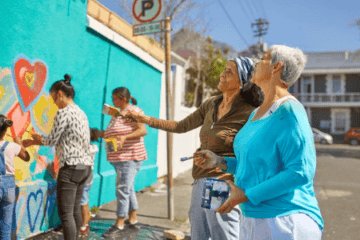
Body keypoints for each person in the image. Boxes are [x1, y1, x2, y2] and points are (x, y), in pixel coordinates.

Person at [125, 57, 264, 240]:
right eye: (224, 69)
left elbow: (255, 154)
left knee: (223, 235)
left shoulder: (250, 112)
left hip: (222, 182)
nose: (222, 74)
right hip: (200, 179)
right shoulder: (212, 103)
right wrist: (146, 120)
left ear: (242, 82)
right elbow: (180, 126)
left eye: (229, 71)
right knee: (199, 234)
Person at [194, 45, 324, 239]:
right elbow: (254, 164)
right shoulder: (256, 113)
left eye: (263, 58)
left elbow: (301, 171)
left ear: (275, 67)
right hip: (253, 217)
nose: (255, 63)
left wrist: (246, 194)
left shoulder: (290, 112)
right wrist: (220, 161)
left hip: (286, 219)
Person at [23, 74, 93, 240]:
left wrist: (36, 138)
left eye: (54, 98)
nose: (54, 103)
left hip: (71, 167)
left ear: (60, 94)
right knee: (75, 209)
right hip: (85, 167)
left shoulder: (64, 113)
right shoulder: (81, 112)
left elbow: (51, 140)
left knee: (66, 213)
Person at [97, 87, 148, 238]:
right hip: (120, 158)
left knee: (122, 189)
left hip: (129, 157)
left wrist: (125, 138)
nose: (112, 101)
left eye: (115, 99)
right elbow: (113, 133)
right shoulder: (118, 113)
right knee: (128, 188)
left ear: (123, 99)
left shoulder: (133, 111)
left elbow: (142, 130)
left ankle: (119, 224)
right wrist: (97, 134)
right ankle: (132, 220)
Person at [0, 116, 30, 239]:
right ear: (5, 131)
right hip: (9, 185)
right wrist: (19, 142)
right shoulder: (12, 146)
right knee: (6, 226)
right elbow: (26, 157)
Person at [79, 142, 98, 236]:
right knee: (84, 202)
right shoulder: (93, 147)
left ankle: (83, 226)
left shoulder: (85, 149)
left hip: (83, 178)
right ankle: (85, 224)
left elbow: (81, 165)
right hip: (88, 178)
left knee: (83, 202)